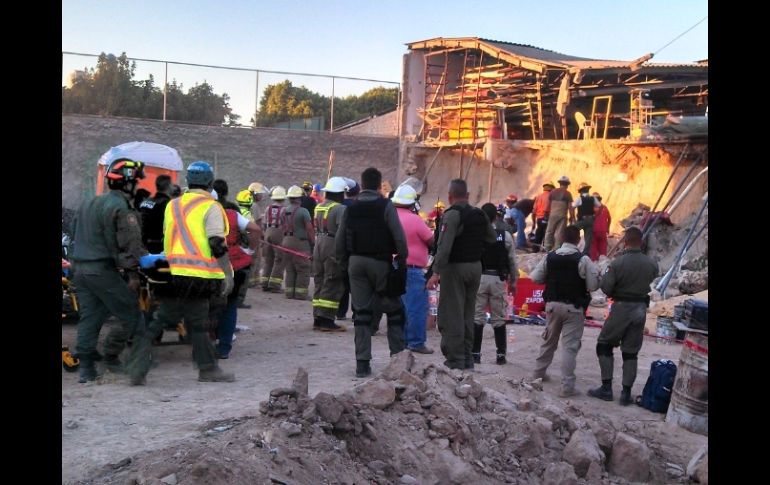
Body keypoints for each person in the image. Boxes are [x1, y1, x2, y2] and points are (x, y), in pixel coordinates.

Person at [127, 161, 236, 384]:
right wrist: (227, 273)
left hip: (172, 273)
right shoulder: (211, 207)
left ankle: (138, 367)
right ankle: (207, 369)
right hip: (198, 277)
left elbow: (170, 238)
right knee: (197, 323)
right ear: (210, 182)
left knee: (163, 321)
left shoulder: (173, 205)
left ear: (188, 181)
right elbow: (216, 243)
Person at [70, 158, 147, 383]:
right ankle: (134, 368)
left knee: (90, 317)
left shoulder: (88, 203)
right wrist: (133, 274)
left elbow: (75, 233)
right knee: (133, 315)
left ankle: (87, 370)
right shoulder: (121, 207)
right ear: (127, 183)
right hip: (102, 271)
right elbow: (130, 244)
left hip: (81, 271)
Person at [336, 167, 408, 378]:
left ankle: (362, 364)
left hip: (356, 263)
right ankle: (397, 360)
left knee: (361, 314)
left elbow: (341, 239)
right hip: (380, 262)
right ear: (379, 185)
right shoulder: (385, 205)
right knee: (394, 311)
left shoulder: (351, 207)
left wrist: (344, 263)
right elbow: (398, 235)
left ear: (362, 183)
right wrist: (401, 258)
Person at [426, 179, 496, 370]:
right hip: (475, 267)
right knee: (468, 313)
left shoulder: (452, 215)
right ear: (468, 195)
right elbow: (491, 237)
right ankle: (467, 357)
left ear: (450, 196)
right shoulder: (479, 213)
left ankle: (455, 359)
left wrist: (435, 272)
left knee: (451, 314)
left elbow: (444, 247)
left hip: (455, 268)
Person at [587, 226, 658, 405]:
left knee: (604, 345)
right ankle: (626, 393)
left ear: (625, 242)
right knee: (631, 352)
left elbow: (607, 288)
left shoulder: (617, 263)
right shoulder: (651, 263)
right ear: (641, 242)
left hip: (622, 308)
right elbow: (652, 278)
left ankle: (606, 388)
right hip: (641, 309)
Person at [530, 225, 599, 397]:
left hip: (552, 306)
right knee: (570, 347)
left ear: (561, 238)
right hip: (574, 308)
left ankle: (538, 374)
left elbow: (535, 278)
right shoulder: (583, 259)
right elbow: (592, 285)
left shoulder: (550, 257)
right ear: (578, 240)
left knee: (548, 341)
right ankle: (567, 387)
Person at [216, 200, 263, 358]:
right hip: (234, 264)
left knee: (208, 307)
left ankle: (206, 344)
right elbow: (256, 229)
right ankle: (224, 347)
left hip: (208, 266)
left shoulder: (197, 212)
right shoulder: (232, 215)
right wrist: (250, 249)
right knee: (230, 306)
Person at [472, 203, 517, 365]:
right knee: (498, 318)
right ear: (496, 216)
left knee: (477, 317)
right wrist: (514, 281)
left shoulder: (476, 234)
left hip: (480, 279)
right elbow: (512, 260)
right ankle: (500, 356)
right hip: (498, 279)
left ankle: (475, 354)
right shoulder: (504, 235)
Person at [392, 184, 435, 354]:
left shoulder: (390, 217)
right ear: (412, 203)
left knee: (399, 306)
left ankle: (400, 341)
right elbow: (431, 241)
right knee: (416, 307)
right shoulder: (415, 219)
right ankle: (416, 342)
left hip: (394, 267)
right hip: (413, 269)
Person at [311, 177, 348, 332]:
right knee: (332, 281)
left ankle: (318, 318)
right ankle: (327, 320)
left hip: (318, 242)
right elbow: (342, 232)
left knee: (319, 280)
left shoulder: (319, 206)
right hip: (332, 244)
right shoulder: (340, 209)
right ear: (340, 193)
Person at [276, 185, 315, 300]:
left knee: (290, 268)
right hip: (300, 242)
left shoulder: (284, 210)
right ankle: (301, 294)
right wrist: (313, 242)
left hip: (286, 241)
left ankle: (289, 293)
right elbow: (309, 228)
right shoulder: (303, 211)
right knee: (303, 268)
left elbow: (282, 227)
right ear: (300, 197)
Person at [335, 179, 360, 321]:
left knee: (342, 284)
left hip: (342, 250)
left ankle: (340, 312)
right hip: (356, 250)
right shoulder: (360, 206)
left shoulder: (339, 206)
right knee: (357, 285)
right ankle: (356, 313)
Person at [138, 174, 173, 254]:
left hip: (142, 245)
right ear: (168, 186)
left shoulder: (145, 202)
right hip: (159, 248)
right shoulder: (168, 204)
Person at [262, 186, 287, 292]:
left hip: (268, 232)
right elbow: (285, 224)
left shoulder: (268, 208)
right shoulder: (284, 210)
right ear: (283, 198)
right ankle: (274, 285)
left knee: (268, 259)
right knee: (279, 259)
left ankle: (264, 283)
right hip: (278, 233)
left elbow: (264, 223)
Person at [247, 182, 270, 287]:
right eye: (260, 194)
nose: (261, 196)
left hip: (248, 235)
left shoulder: (248, 204)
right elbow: (258, 223)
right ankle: (252, 282)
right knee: (255, 259)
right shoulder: (255, 206)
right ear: (255, 194)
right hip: (254, 236)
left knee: (254, 258)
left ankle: (254, 281)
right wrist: (262, 235)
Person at [543, 176, 575, 251]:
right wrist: (572, 216)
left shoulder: (553, 192)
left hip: (552, 215)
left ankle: (547, 247)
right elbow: (570, 207)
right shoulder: (568, 194)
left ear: (559, 183)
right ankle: (557, 248)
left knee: (549, 231)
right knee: (560, 232)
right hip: (562, 215)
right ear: (567, 184)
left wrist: (545, 213)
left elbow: (548, 204)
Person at [572, 182, 602, 256]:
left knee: (571, 230)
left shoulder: (579, 199)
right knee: (588, 238)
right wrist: (595, 216)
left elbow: (572, 207)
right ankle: (585, 254)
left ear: (581, 191)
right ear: (588, 190)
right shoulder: (593, 198)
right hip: (591, 220)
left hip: (582, 220)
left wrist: (573, 219)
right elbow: (600, 207)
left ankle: (570, 249)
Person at [532, 182, 555, 251]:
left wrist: (534, 222)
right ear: (551, 188)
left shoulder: (538, 196)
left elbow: (534, 210)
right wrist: (546, 217)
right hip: (546, 217)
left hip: (538, 218)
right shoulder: (550, 196)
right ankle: (546, 248)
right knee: (547, 233)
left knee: (539, 233)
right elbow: (546, 208)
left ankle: (535, 249)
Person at [589, 193, 611, 261]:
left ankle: (594, 265)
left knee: (593, 252)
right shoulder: (605, 207)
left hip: (594, 232)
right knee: (603, 252)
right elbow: (609, 218)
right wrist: (607, 228)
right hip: (603, 232)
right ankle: (602, 266)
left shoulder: (591, 208)